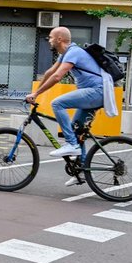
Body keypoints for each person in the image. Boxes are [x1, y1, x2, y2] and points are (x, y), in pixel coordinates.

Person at [25, 27, 104, 177]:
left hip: (97, 92)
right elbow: (50, 73)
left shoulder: (73, 52)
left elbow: (57, 77)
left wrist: (36, 93)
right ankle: (81, 172)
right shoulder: (66, 54)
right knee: (77, 130)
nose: (49, 40)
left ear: (59, 39)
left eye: (50, 37)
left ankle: (71, 144)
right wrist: (35, 92)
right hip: (95, 93)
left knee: (57, 103)